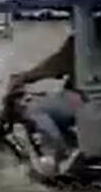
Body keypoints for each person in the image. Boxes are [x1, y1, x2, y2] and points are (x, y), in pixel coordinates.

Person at [7, 33, 83, 175]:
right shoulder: (98, 40)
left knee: (35, 109)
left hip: (81, 98)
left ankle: (60, 152)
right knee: (49, 102)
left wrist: (24, 77)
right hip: (89, 97)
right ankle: (68, 146)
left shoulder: (81, 41)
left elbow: (55, 65)